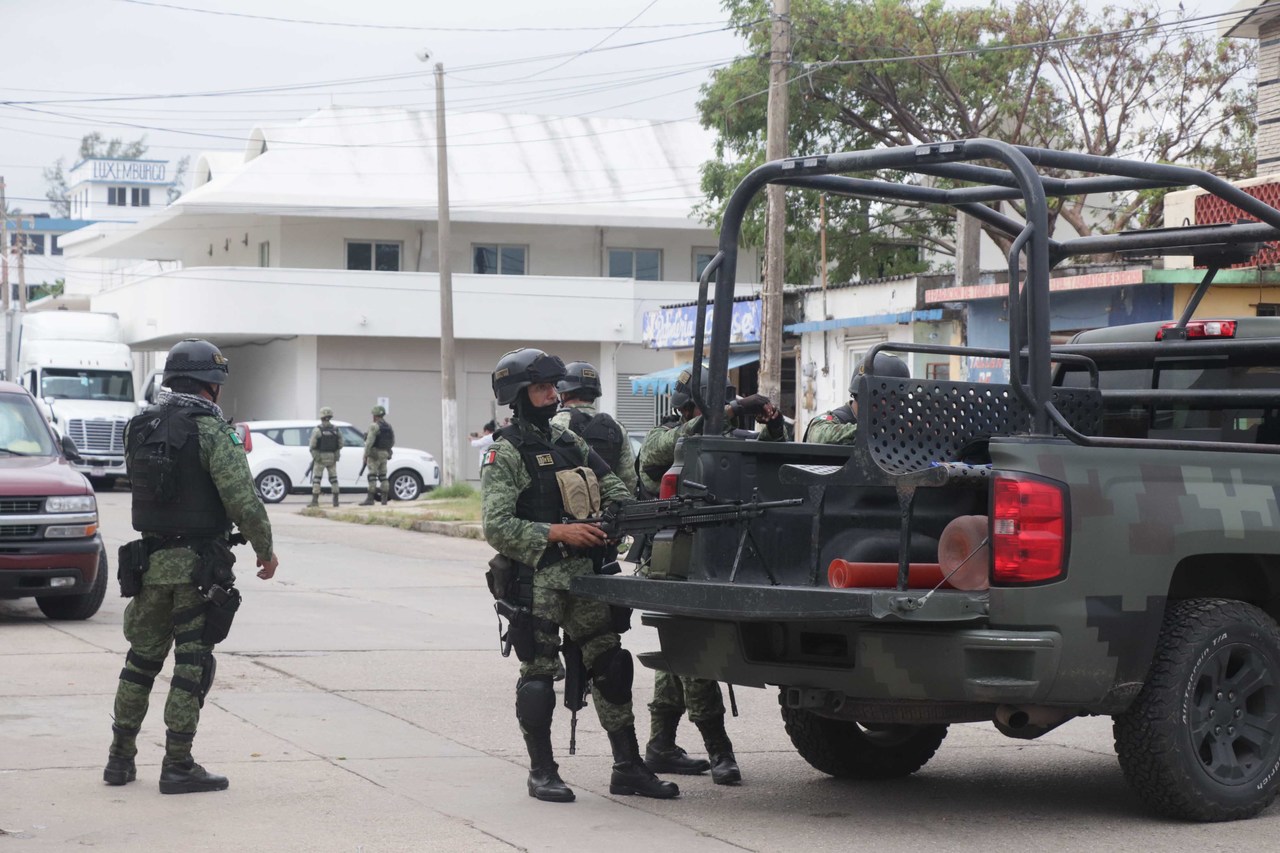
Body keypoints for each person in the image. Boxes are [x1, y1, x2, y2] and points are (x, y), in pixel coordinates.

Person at [481, 347, 678, 803]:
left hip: (585, 578)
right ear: (518, 395)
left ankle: (628, 767)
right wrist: (558, 531)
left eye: (553, 387)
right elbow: (497, 526)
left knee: (612, 666)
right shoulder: (504, 452)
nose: (552, 395)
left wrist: (623, 516)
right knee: (538, 676)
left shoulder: (569, 441)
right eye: (541, 388)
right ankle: (542, 771)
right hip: (539, 581)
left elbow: (615, 488)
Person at [104, 338, 279, 795]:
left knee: (139, 663)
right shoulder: (211, 430)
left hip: (148, 564)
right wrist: (265, 548)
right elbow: (242, 498)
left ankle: (119, 760)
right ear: (211, 385)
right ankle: (178, 765)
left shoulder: (139, 426)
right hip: (197, 569)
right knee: (191, 666)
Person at [632, 367, 791, 785]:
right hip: (675, 561)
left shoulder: (729, 441)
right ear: (689, 409)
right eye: (713, 409)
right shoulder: (665, 436)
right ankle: (720, 750)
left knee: (678, 655)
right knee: (695, 654)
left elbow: (774, 459)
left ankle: (661, 744)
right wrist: (731, 409)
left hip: (721, 560)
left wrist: (773, 425)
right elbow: (670, 448)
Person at [551, 361, 637, 495]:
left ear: (564, 394)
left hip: (570, 504)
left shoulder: (555, 424)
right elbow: (629, 479)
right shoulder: (617, 427)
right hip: (609, 505)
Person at [803, 352, 911, 445]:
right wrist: (882, 430)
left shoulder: (898, 424)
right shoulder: (832, 421)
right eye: (887, 397)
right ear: (864, 394)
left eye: (897, 398)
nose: (893, 405)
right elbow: (818, 435)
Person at [360, 404, 395, 505]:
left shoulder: (374, 426)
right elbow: (392, 441)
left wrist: (365, 454)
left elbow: (369, 442)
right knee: (383, 476)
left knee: (372, 476)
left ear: (374, 416)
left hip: (374, 454)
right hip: (384, 453)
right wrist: (387, 451)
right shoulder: (388, 426)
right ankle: (384, 499)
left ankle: (370, 499)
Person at [308, 406, 342, 507]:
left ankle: (315, 501)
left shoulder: (317, 430)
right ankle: (336, 500)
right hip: (332, 457)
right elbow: (340, 444)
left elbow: (312, 445)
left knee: (317, 479)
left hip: (320, 457)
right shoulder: (336, 429)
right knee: (334, 479)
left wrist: (316, 456)